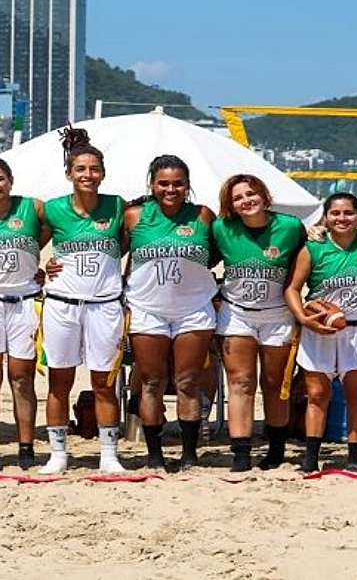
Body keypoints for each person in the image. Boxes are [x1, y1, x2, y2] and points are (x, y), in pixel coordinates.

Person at [39, 127, 126, 474]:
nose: (88, 175)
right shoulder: (53, 209)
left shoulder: (117, 205)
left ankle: (109, 454)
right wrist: (41, 268)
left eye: (94, 169)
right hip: (62, 302)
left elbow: (127, 244)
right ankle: (58, 453)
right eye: (81, 169)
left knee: (104, 382)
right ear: (68, 173)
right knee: (59, 381)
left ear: (103, 173)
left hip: (105, 304)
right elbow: (31, 244)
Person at [125, 155, 216, 470]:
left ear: (188, 186)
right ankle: (155, 456)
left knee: (188, 380)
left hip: (193, 309)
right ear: (152, 184)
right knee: (152, 381)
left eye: (178, 183)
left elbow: (220, 252)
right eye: (163, 183)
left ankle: (190, 456)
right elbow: (107, 251)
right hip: (147, 308)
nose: (171, 189)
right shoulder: (134, 216)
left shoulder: (203, 215)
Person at [213, 174, 306, 471]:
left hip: (277, 314)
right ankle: (241, 453)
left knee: (274, 384)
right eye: (238, 197)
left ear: (263, 195)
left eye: (251, 193)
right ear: (231, 205)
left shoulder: (290, 227)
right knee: (240, 383)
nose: (246, 200)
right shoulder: (222, 228)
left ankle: (276, 449)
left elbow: (312, 256)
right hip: (237, 313)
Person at [286, 193, 357, 473]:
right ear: (325, 217)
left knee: (356, 395)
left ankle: (353, 457)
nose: (342, 218)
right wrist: (304, 318)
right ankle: (311, 457)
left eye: (348, 213)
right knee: (317, 394)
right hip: (320, 328)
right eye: (335, 214)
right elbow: (293, 288)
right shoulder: (313, 248)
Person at [0, 148, 50, 472]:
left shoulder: (32, 207)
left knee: (22, 377)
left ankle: (26, 447)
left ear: (10, 180)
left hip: (24, 301)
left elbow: (57, 231)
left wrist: (43, 264)